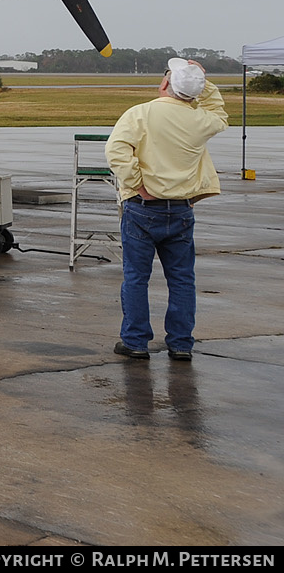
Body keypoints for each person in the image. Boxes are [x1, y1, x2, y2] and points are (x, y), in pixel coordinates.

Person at [105, 57, 227, 360]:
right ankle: (181, 343)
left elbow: (115, 150)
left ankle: (135, 341)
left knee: (136, 277)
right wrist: (202, 81)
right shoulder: (201, 120)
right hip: (182, 210)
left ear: (164, 84)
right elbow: (220, 114)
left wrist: (138, 183)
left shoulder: (141, 113)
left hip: (143, 206)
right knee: (183, 279)